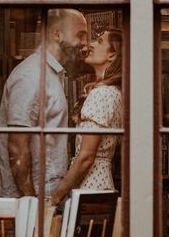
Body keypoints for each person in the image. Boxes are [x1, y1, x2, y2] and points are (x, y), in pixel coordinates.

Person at [0, 9, 88, 198]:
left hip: (45, 197)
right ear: (57, 34)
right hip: (28, 204)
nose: (85, 44)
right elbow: (16, 146)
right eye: (80, 35)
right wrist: (30, 202)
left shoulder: (51, 74)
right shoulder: (32, 75)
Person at [51, 27, 122, 206]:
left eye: (99, 42)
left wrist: (55, 196)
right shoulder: (114, 92)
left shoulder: (102, 94)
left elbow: (86, 158)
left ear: (112, 56)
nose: (90, 44)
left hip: (90, 188)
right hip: (98, 186)